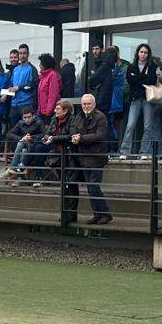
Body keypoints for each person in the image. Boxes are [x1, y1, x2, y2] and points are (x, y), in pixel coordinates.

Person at [67, 94, 112, 226]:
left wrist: (81, 139)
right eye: (84, 104)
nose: (86, 106)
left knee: (94, 187)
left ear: (94, 104)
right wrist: (74, 137)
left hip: (97, 157)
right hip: (84, 157)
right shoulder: (80, 116)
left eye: (88, 104)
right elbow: (73, 129)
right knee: (90, 187)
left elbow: (100, 135)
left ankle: (106, 214)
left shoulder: (101, 117)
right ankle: (97, 215)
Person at [118, 42, 162, 157]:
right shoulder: (131, 66)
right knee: (130, 125)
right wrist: (143, 78)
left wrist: (137, 78)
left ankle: (144, 152)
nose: (143, 54)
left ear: (148, 54)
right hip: (135, 99)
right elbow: (130, 80)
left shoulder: (152, 66)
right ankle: (124, 151)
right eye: (141, 52)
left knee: (148, 126)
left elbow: (152, 80)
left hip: (148, 99)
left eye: (145, 52)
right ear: (138, 53)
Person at [4, 105, 43, 179]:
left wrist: (31, 138)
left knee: (21, 144)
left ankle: (12, 168)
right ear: (22, 117)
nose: (27, 119)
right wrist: (22, 138)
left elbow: (44, 135)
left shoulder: (39, 122)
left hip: (34, 148)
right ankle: (20, 177)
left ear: (33, 116)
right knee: (23, 148)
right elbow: (8, 134)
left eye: (29, 117)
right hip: (23, 148)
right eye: (25, 117)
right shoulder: (20, 123)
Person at [35, 53, 62, 120]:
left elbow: (52, 95)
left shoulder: (53, 75)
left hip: (49, 112)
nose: (39, 65)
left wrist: (48, 111)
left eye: (41, 63)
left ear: (45, 64)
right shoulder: (43, 76)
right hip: (42, 111)